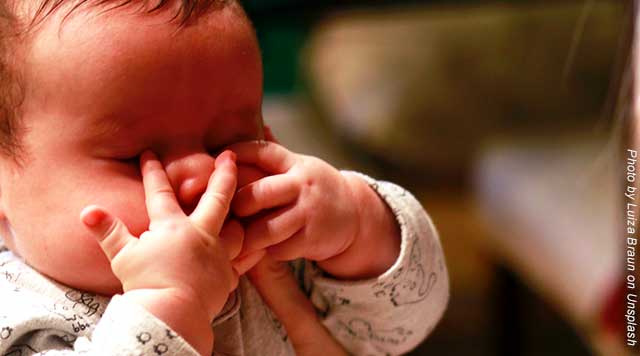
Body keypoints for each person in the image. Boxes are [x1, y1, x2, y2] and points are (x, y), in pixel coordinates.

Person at [0, 0, 449, 355]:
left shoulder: (275, 245)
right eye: (136, 157)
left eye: (230, 141)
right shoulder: (18, 312)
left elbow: (405, 325)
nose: (204, 176)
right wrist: (169, 306)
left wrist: (359, 225)